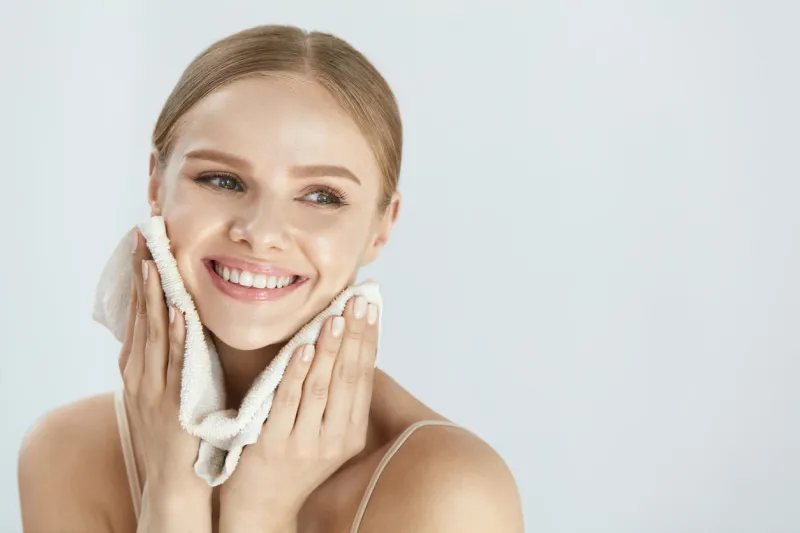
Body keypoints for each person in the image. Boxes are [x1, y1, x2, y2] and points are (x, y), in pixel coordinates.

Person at [17, 24, 524, 533]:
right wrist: (173, 494)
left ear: (381, 226)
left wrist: (259, 512)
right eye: (222, 180)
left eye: (321, 195)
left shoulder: (450, 491)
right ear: (156, 183)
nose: (260, 234)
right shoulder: (65, 454)